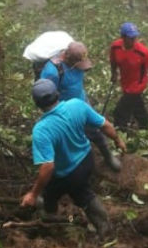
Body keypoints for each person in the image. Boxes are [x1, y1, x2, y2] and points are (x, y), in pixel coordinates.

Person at [20, 79, 127, 236]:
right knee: (77, 190)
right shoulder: (77, 105)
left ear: (37, 104)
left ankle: (51, 222)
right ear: (57, 94)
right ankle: (101, 225)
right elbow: (105, 125)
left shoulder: (41, 130)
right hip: (87, 160)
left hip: (67, 173)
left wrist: (33, 194)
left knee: (65, 194)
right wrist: (118, 140)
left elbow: (48, 166)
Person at [40, 41, 122, 171]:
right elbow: (46, 96)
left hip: (81, 102)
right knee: (68, 138)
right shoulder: (52, 72)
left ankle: (107, 155)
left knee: (94, 129)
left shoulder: (78, 63)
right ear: (68, 58)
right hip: (64, 111)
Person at [110, 22, 148, 130]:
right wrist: (114, 73)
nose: (134, 40)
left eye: (135, 37)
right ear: (123, 37)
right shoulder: (115, 47)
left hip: (137, 85)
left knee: (120, 112)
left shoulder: (143, 52)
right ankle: (146, 126)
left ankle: (121, 132)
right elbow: (113, 61)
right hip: (125, 82)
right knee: (137, 107)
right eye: (131, 37)